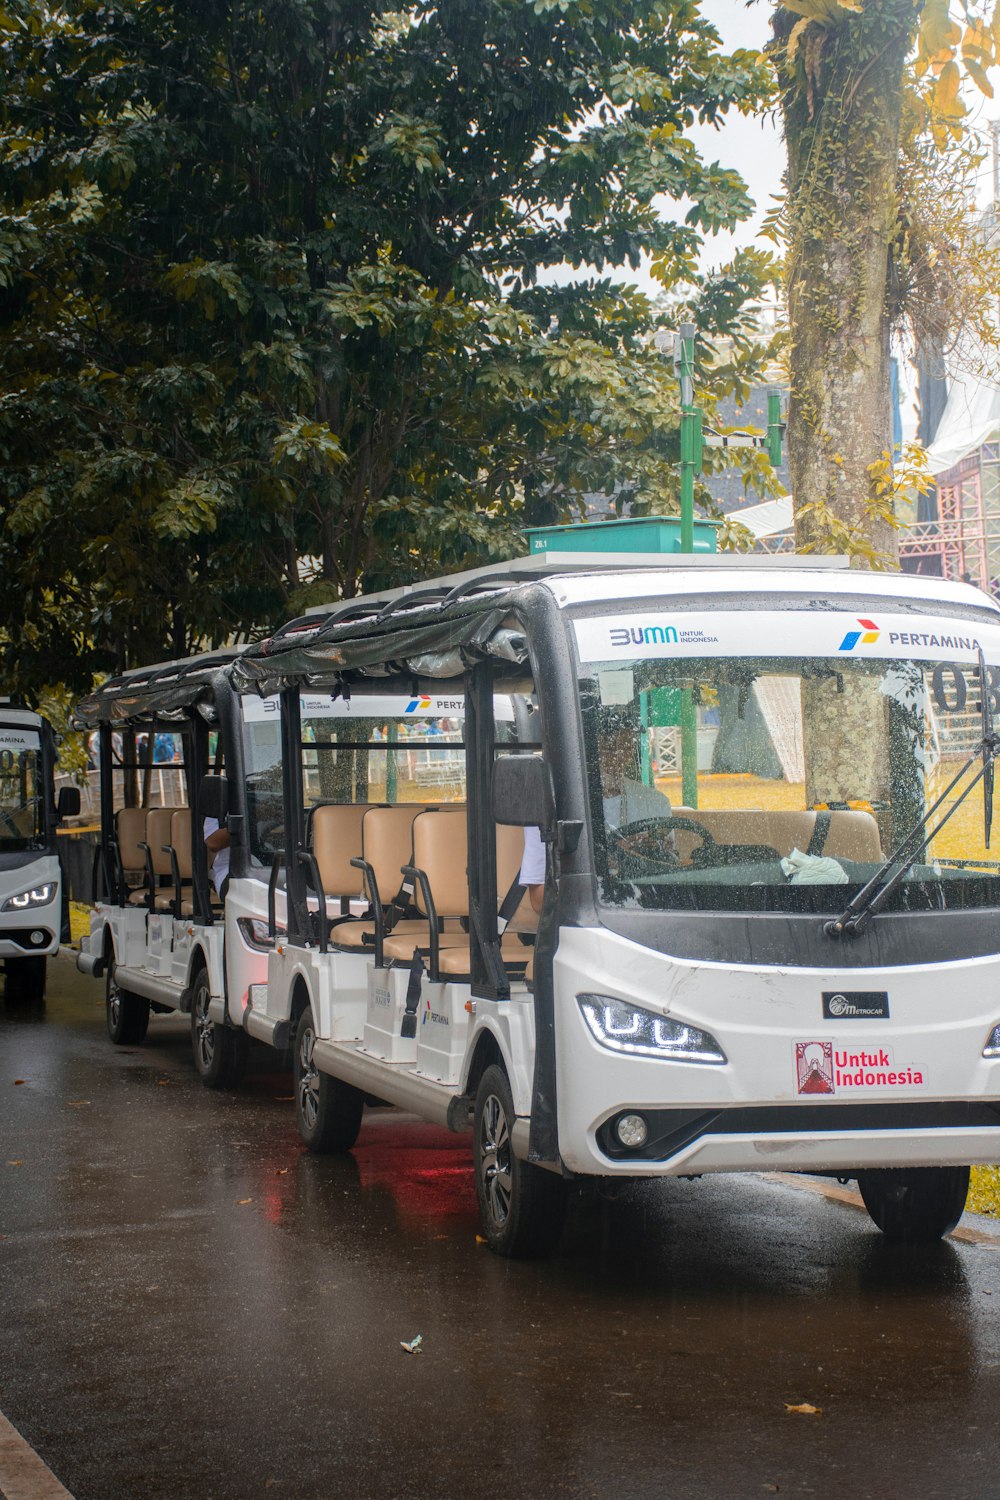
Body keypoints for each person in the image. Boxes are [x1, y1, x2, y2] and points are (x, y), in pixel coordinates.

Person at [517, 714, 673, 908]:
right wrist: (607, 863)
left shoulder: (656, 803)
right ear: (584, 748)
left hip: (651, 908)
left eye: (625, 746)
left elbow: (671, 872)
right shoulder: (549, 805)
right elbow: (540, 900)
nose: (617, 756)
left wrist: (651, 855)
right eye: (607, 747)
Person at [203, 816, 231, 899]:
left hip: (268, 867)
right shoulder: (221, 805)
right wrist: (249, 821)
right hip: (233, 869)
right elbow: (212, 842)